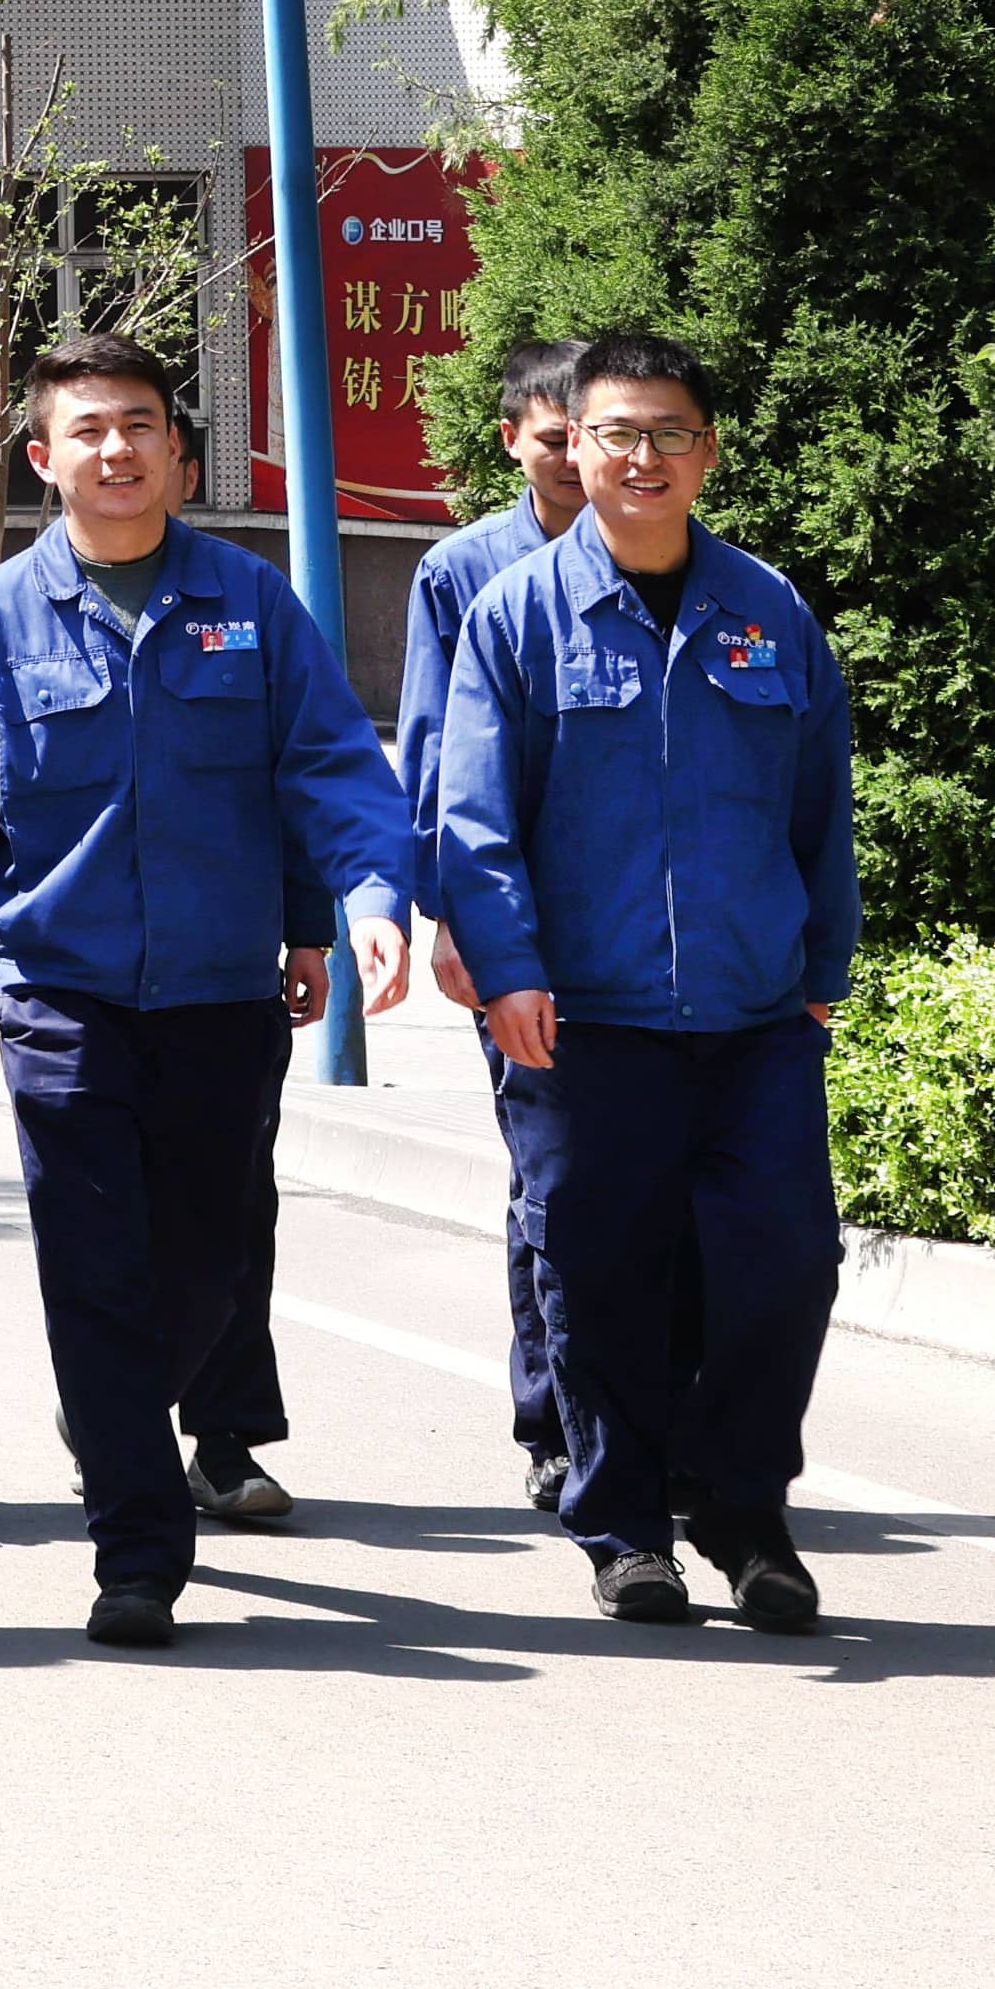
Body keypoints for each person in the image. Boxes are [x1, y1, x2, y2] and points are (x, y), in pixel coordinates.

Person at [0, 331, 411, 1650]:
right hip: (56, 994)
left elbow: (325, 767)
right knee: (92, 1268)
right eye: (87, 429)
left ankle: (112, 1406)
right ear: (40, 457)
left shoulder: (250, 601)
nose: (114, 449)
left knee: (209, 1268)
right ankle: (134, 1548)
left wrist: (355, 907)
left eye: (138, 426)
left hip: (219, 993)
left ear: (177, 452)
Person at [428, 329, 867, 1636]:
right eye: (616, 432)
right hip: (584, 1016)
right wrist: (505, 968)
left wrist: (819, 969)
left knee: (784, 1266)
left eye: (669, 433)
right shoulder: (518, 614)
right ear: (573, 442)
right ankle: (625, 1530)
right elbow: (474, 817)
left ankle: (741, 1507)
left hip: (754, 1012)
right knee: (600, 1272)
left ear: (707, 452)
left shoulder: (767, 610)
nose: (642, 457)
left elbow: (818, 808)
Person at [397, 340, 595, 1513]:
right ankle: (554, 1423)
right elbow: (432, 757)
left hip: (646, 939)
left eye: (591, 434)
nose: (574, 457)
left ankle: (649, 1418)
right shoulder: (462, 572)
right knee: (550, 1181)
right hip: (516, 928)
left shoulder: (681, 565)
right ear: (513, 438)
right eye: (553, 436)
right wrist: (449, 916)